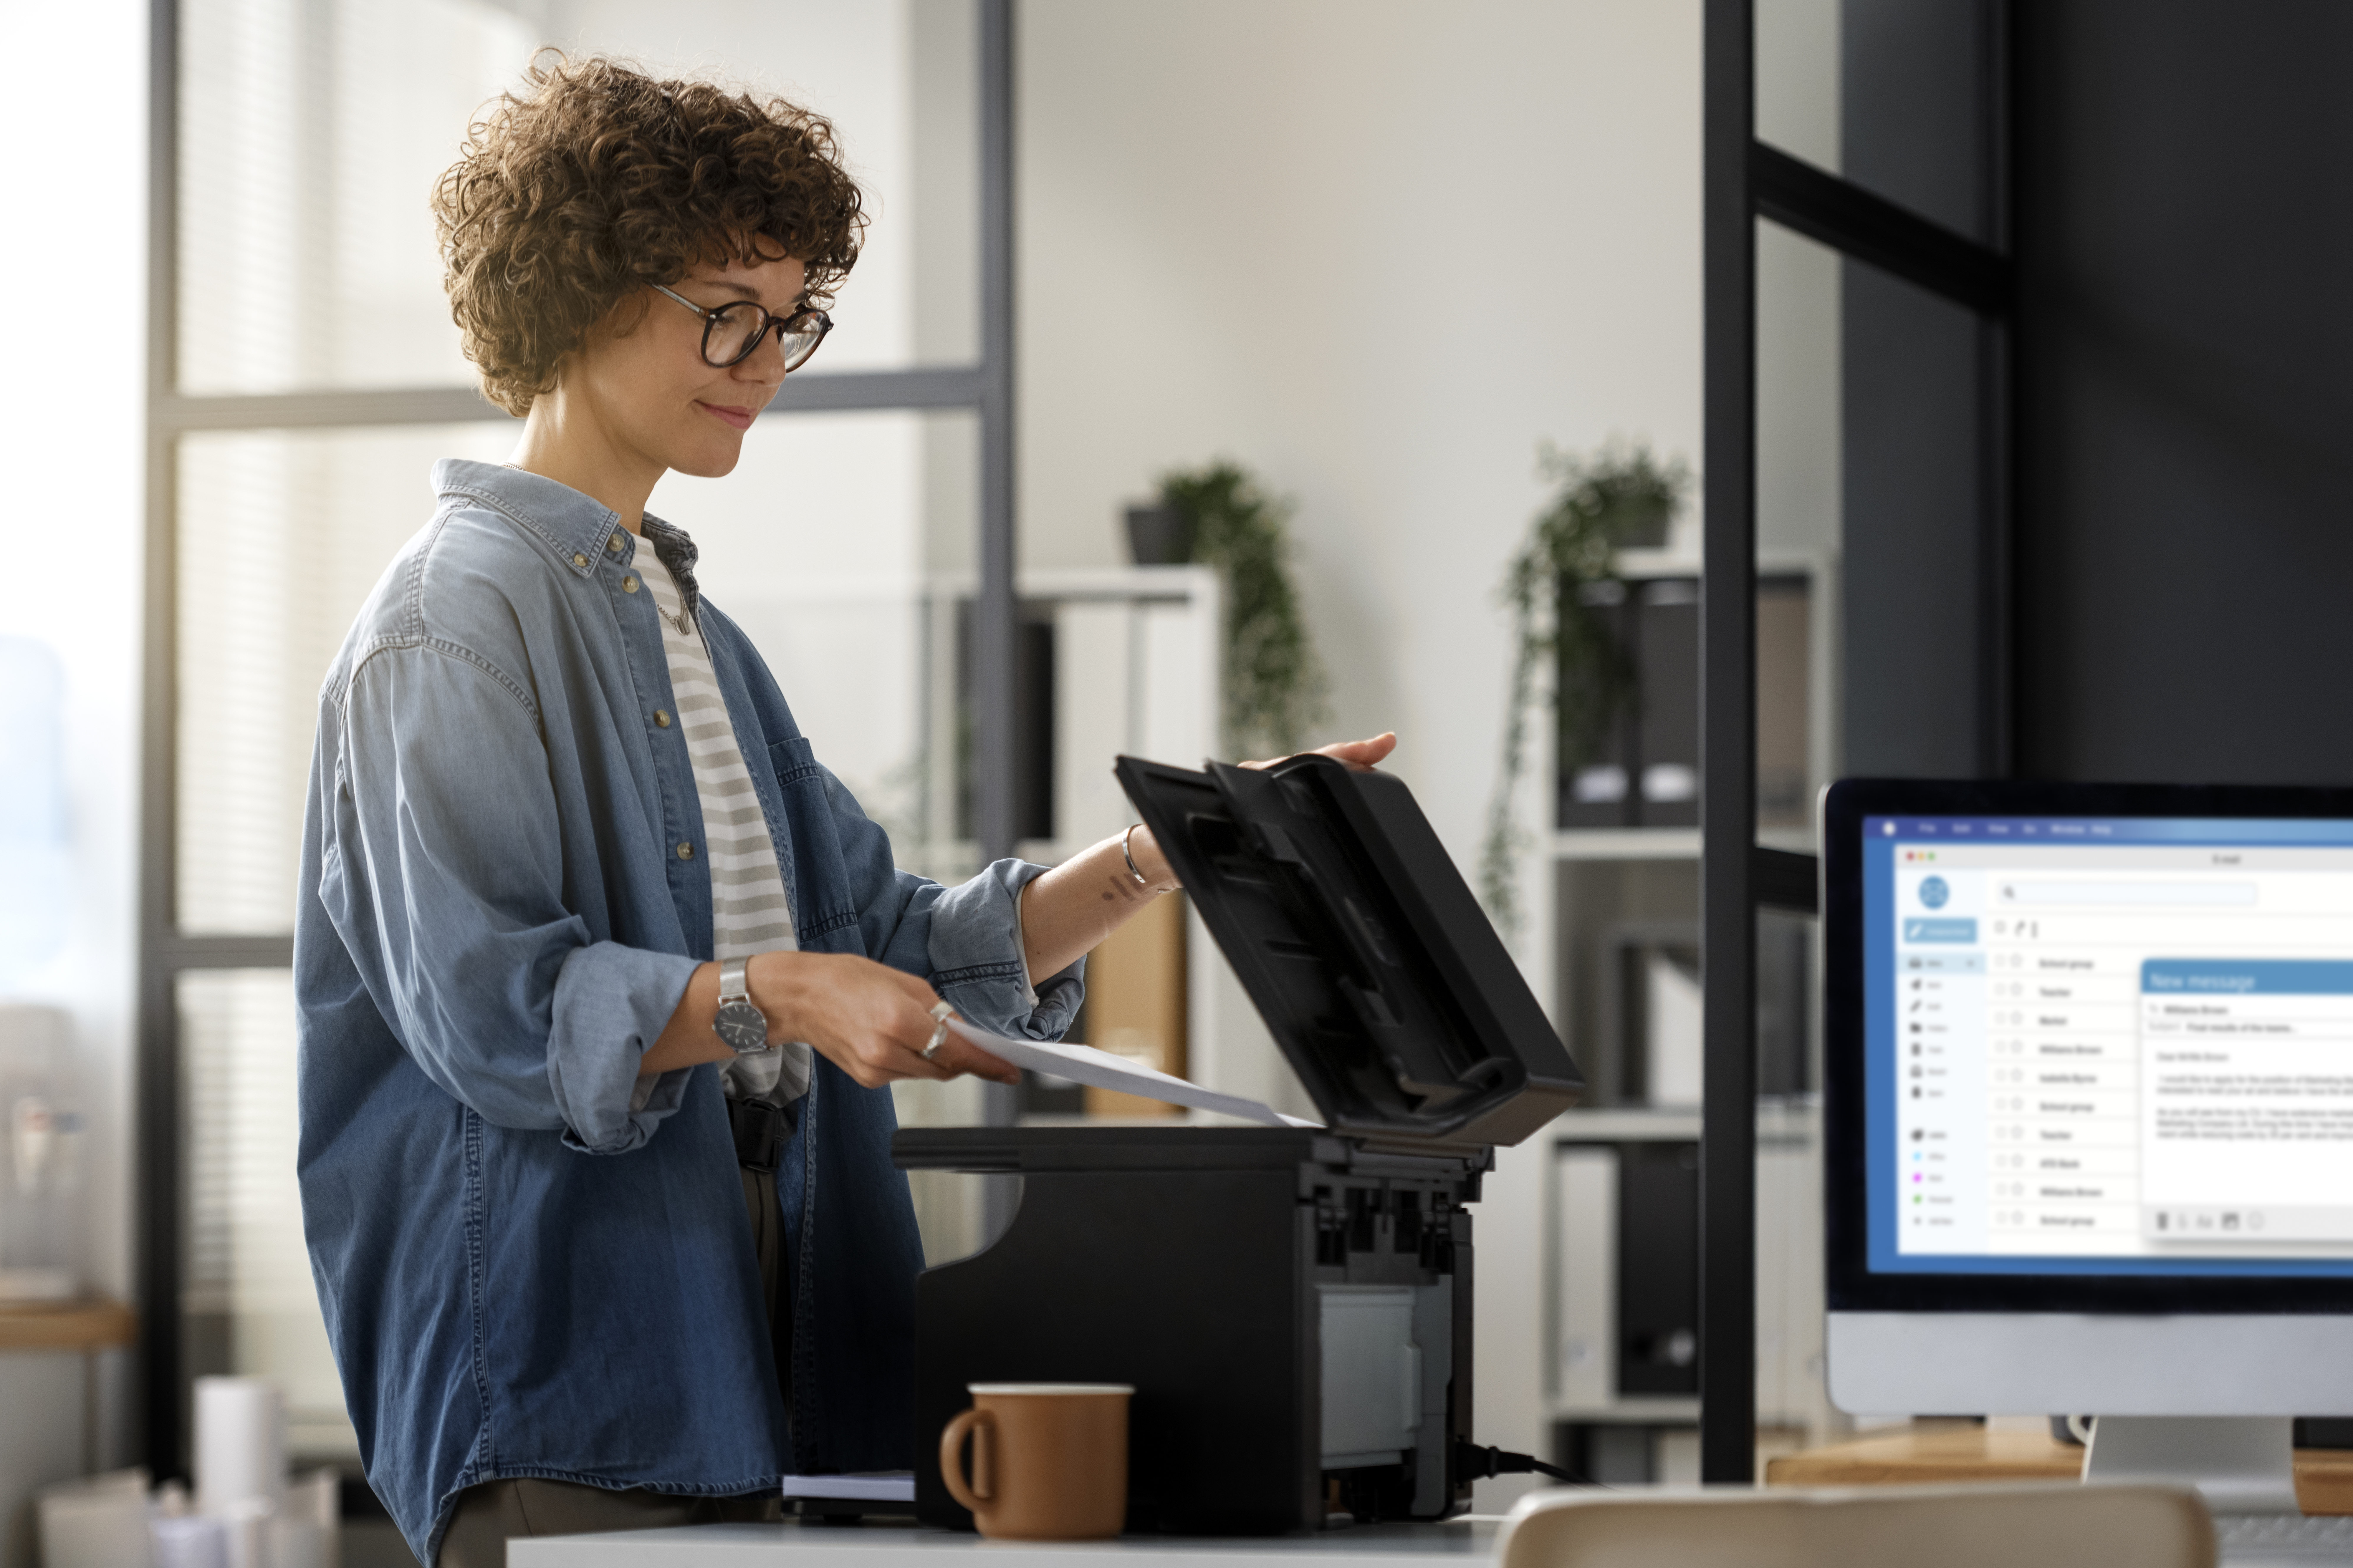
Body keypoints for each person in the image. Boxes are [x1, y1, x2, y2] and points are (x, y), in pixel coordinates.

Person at [292, 54, 1394, 1566]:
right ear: (580, 288)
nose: (763, 361)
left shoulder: (696, 633)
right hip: (575, 1357)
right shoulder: (449, 624)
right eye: (724, 313)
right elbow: (498, 1014)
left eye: (788, 319)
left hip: (773, 1322)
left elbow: (887, 940)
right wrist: (786, 997)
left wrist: (1169, 856)